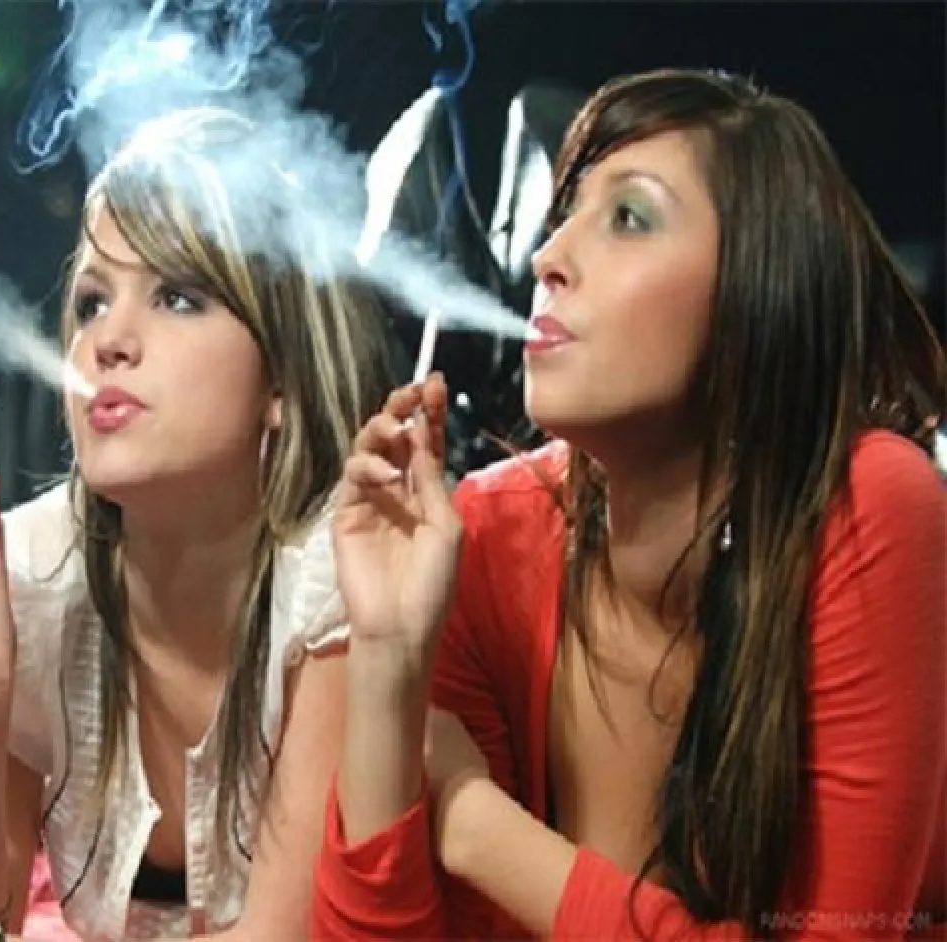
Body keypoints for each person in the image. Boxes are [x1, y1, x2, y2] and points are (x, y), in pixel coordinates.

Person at [312, 68, 946, 939]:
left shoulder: (866, 506)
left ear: (756, 294)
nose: (547, 258)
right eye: (566, 214)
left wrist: (475, 824)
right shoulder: (488, 534)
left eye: (629, 218)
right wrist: (389, 660)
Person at [0, 106, 396, 940]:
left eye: (178, 297)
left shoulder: (340, 579)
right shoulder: (34, 572)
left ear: (281, 381)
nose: (107, 340)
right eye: (91, 302)